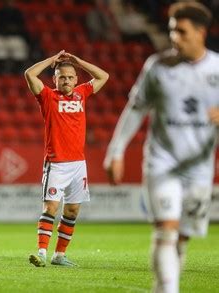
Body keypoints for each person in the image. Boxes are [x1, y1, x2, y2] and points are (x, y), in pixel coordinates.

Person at [104, 2, 218, 292]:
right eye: (171, 31)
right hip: (162, 163)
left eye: (182, 32)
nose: (174, 38)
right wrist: (116, 151)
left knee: (181, 238)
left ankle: (163, 286)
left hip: (199, 169)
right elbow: (135, 109)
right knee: (166, 230)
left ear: (201, 32)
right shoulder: (157, 67)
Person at [24, 50, 109, 267]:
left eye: (71, 77)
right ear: (55, 79)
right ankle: (41, 252)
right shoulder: (47, 96)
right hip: (56, 164)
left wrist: (78, 61)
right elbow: (30, 74)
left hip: (78, 165)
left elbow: (103, 76)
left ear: (76, 79)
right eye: (62, 77)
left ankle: (59, 255)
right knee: (50, 208)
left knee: (72, 210)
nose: (67, 80)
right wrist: (52, 60)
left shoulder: (82, 93)